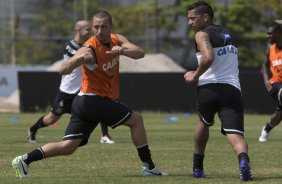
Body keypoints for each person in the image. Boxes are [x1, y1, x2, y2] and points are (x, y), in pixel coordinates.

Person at [12, 10, 167, 178]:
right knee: (136, 120)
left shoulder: (117, 39)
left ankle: (25, 159)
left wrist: (122, 51)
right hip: (93, 100)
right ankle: (149, 166)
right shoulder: (90, 47)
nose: (99, 31)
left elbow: (140, 53)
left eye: (103, 27)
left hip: (84, 102)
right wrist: (78, 60)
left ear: (111, 27)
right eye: (96, 27)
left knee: (68, 146)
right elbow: (62, 69)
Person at [184, 1, 253, 181]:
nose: (190, 23)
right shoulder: (229, 34)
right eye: (188, 19)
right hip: (231, 89)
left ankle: (197, 168)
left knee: (203, 123)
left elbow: (208, 57)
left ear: (205, 17)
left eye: (193, 18)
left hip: (208, 88)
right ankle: (243, 161)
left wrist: (195, 75)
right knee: (235, 133)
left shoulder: (201, 34)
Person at [27, 20, 114, 144]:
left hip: (82, 89)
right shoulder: (71, 46)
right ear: (78, 30)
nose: (90, 31)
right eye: (87, 29)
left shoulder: (89, 45)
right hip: (67, 91)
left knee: (99, 106)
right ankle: (32, 129)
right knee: (51, 119)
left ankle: (104, 136)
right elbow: (82, 58)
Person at [259, 22, 282, 142]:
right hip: (275, 84)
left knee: (280, 113)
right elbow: (264, 66)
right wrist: (266, 81)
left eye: (270, 33)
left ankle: (266, 128)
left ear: (278, 33)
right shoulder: (270, 48)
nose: (267, 36)